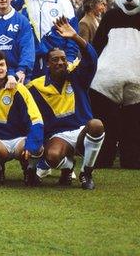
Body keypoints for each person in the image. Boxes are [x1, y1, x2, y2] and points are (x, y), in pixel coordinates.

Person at [27, 17, 104, 189]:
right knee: (53, 157)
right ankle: (68, 167)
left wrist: (75, 37)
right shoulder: (36, 87)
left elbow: (91, 59)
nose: (61, 62)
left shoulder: (77, 76)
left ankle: (86, 172)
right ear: (47, 64)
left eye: (63, 59)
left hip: (82, 130)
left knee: (97, 125)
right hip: (59, 136)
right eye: (55, 59)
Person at [0, 49, 44, 186]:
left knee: (38, 148)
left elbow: (36, 119)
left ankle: (30, 170)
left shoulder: (19, 89)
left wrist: (31, 144)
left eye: (2, 65)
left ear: (7, 68)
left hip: (19, 141)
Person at [14, 0, 79, 76]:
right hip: (29, 65)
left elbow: (72, 36)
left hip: (55, 63)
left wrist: (69, 60)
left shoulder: (63, 2)